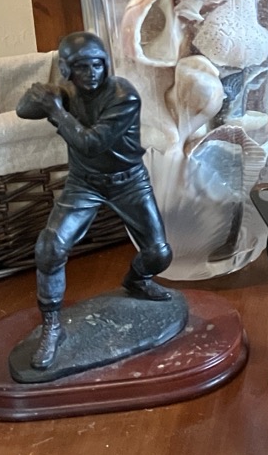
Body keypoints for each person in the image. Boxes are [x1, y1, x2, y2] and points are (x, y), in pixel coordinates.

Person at [17, 32, 173, 370]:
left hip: (128, 181)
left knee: (159, 254)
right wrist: (42, 95)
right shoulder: (66, 93)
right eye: (82, 67)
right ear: (67, 69)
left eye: (97, 66)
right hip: (84, 184)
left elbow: (90, 144)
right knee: (49, 247)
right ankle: (52, 327)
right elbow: (23, 110)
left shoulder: (123, 96)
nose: (91, 74)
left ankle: (136, 280)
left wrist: (55, 110)